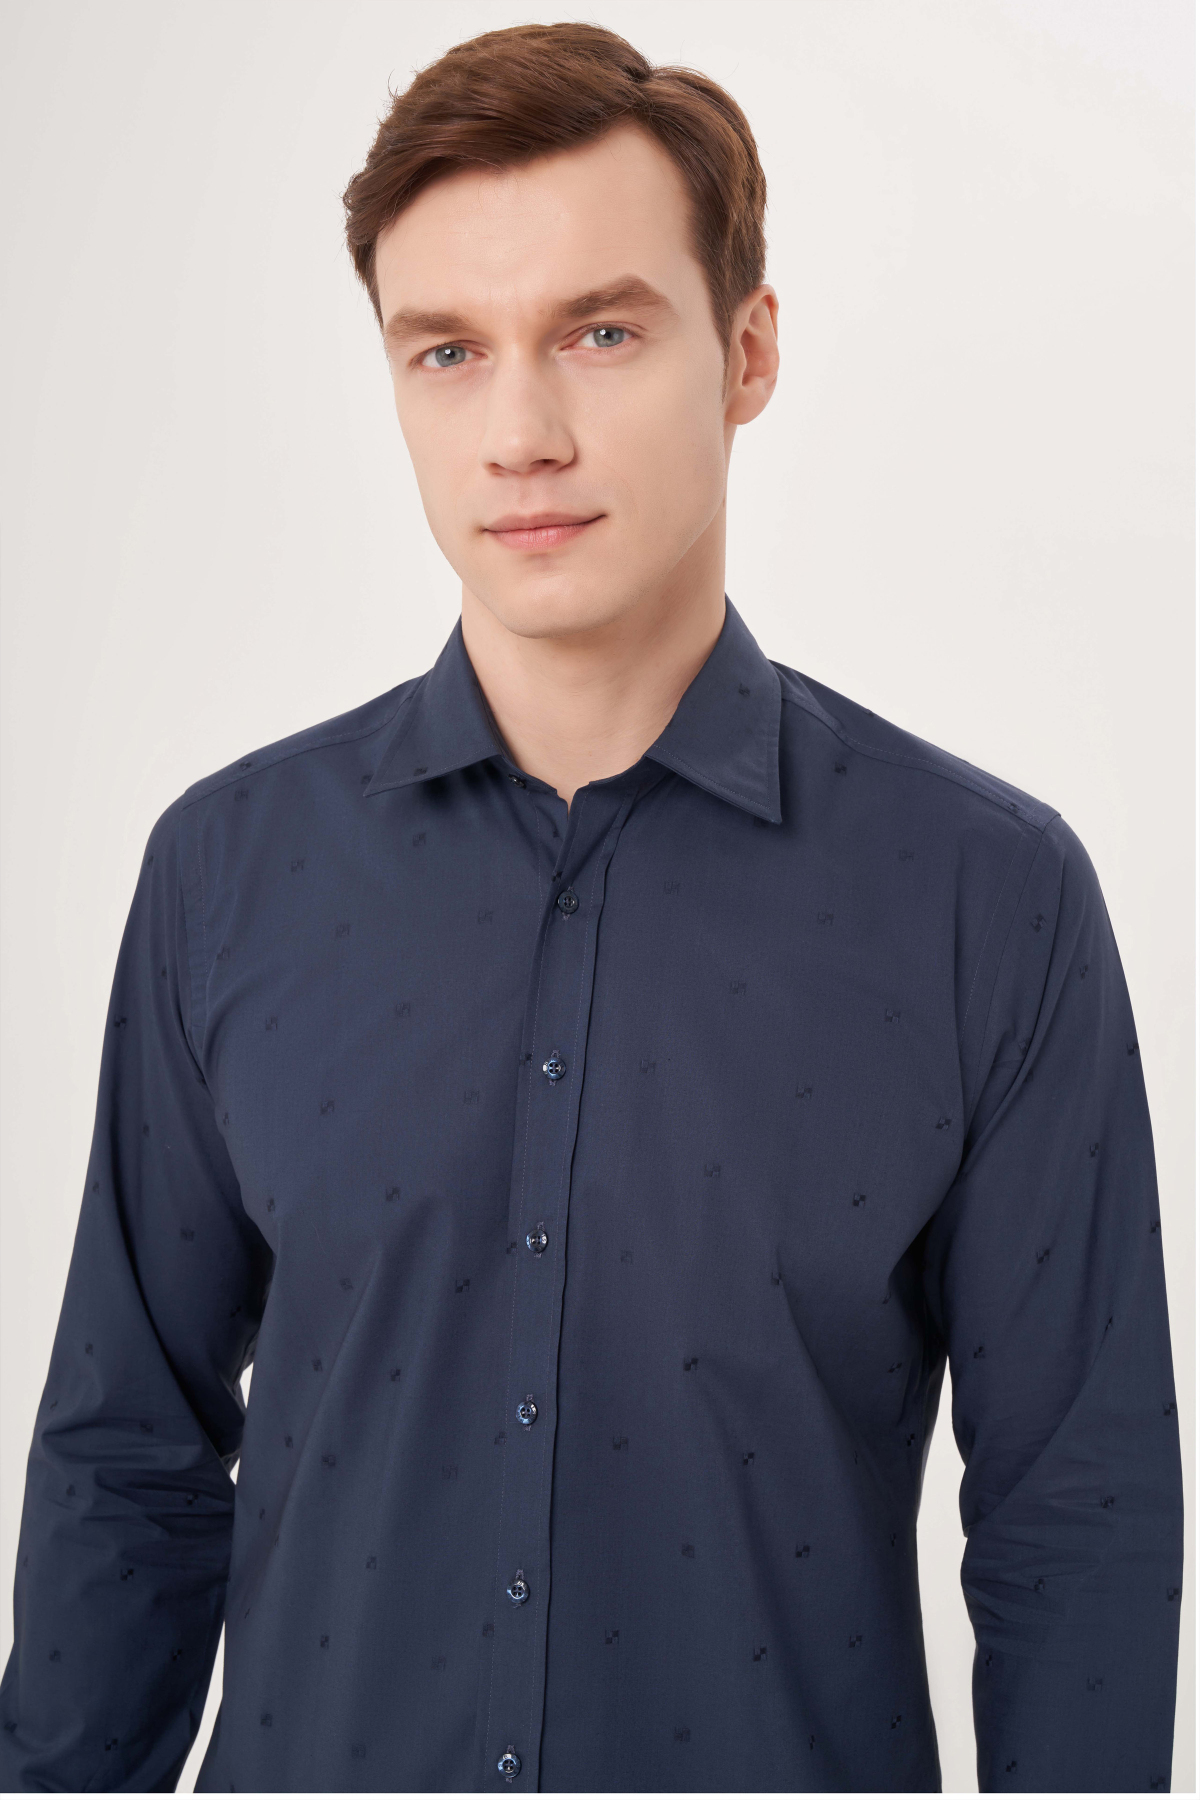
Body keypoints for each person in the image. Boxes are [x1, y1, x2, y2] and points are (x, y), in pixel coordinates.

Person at [0, 20, 1183, 1795]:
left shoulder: (987, 902)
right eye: (448, 352)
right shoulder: (226, 874)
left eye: (601, 333)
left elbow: (1076, 1523)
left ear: (748, 350)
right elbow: (129, 1465)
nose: (521, 435)